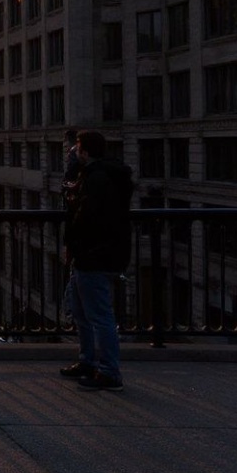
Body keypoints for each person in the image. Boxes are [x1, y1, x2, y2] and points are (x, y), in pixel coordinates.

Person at [62, 130, 134, 392]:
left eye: (77, 148)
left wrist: (76, 244)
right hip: (93, 254)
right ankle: (88, 361)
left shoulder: (98, 178)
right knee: (81, 312)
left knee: (99, 315)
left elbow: (85, 216)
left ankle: (108, 372)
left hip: (95, 255)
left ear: (85, 152)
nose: (74, 152)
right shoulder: (99, 175)